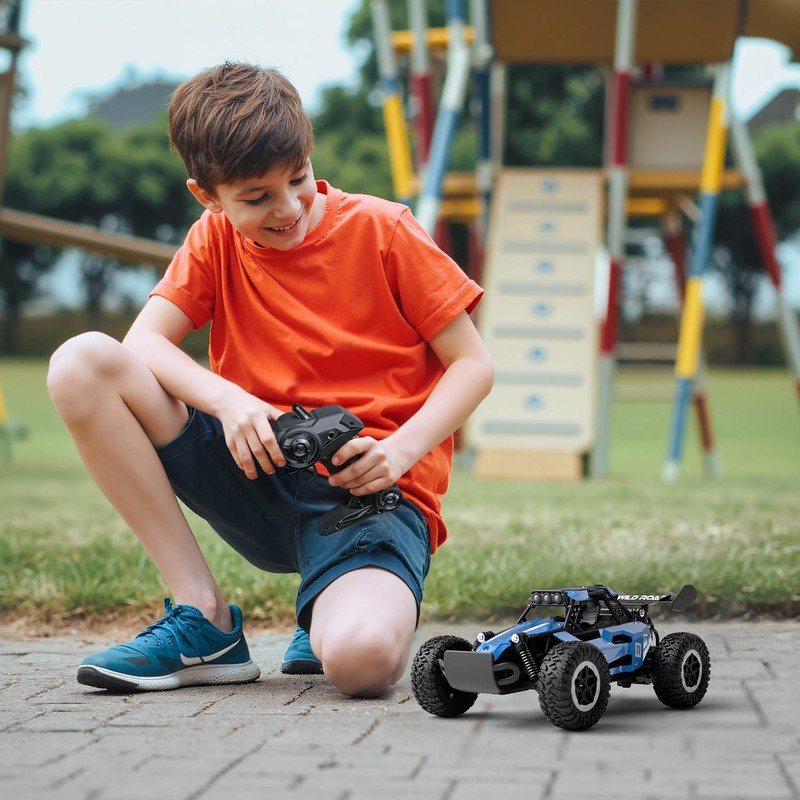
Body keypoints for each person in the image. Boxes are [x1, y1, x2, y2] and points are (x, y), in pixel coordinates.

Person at [47, 62, 494, 698]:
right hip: (252, 469)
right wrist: (230, 402)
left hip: (364, 495)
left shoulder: (384, 230)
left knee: (361, 664)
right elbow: (141, 342)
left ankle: (328, 608)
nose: (287, 208)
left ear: (310, 156)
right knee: (81, 363)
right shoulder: (213, 239)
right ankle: (203, 618)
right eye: (256, 198)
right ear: (208, 195)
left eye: (299, 179)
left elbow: (473, 365)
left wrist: (400, 450)